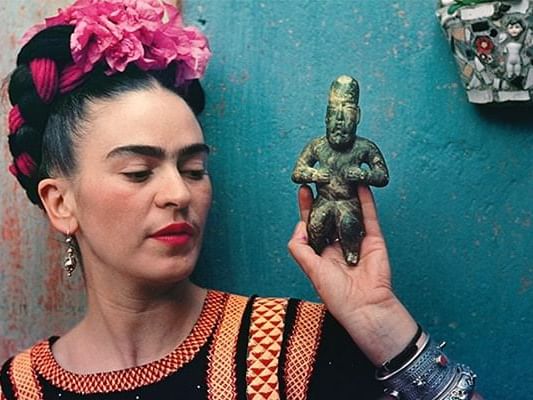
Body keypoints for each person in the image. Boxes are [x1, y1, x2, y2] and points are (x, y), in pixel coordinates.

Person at [1, 1, 480, 399]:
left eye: (194, 170)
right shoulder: (18, 390)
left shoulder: (292, 347)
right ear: (60, 203)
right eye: (138, 172)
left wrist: (379, 320)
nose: (178, 194)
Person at [292, 75, 389, 265]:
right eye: (334, 113)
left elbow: (382, 175)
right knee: (316, 226)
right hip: (324, 200)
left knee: (350, 226)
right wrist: (314, 175)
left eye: (348, 113)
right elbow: (297, 172)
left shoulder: (364, 148)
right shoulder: (317, 146)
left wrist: (364, 175)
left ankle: (351, 253)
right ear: (326, 117)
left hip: (349, 202)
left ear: (358, 117)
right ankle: (319, 251)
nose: (339, 121)